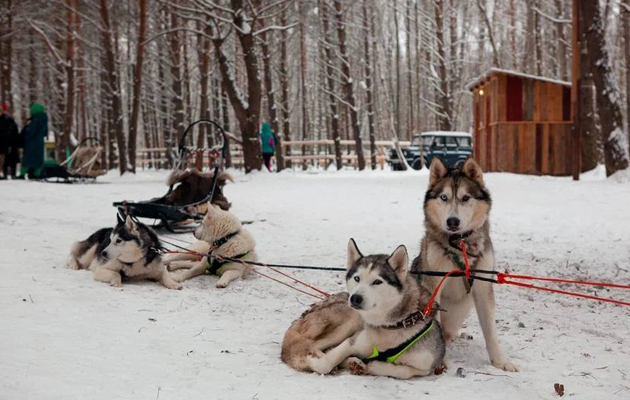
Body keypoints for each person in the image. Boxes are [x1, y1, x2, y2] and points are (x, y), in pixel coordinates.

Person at [21, 102, 48, 179]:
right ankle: (37, 173)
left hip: (32, 143)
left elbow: (31, 131)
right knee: (38, 159)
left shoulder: (35, 120)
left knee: (28, 159)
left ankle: (23, 173)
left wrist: (26, 129)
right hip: (40, 142)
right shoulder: (44, 119)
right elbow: (45, 132)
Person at [0, 103, 21, 179]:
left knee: (9, 160)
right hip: (7, 144)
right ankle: (7, 173)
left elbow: (13, 133)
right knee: (7, 160)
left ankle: (10, 173)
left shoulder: (9, 121)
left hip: (9, 144)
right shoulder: (9, 121)